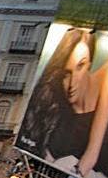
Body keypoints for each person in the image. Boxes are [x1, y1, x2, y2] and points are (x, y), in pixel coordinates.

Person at [20, 28, 98, 165]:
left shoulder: (102, 103)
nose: (72, 83)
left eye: (81, 66)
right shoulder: (51, 114)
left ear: (90, 65)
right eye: (66, 74)